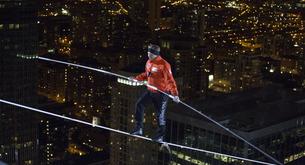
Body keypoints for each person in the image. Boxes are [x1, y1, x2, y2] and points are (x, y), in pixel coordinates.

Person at [130, 43, 180, 142]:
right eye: (148, 52)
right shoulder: (149, 62)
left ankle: (160, 136)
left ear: (156, 54)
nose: (149, 55)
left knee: (160, 115)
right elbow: (147, 74)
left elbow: (170, 80)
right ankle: (138, 128)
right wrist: (136, 79)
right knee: (139, 104)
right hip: (150, 90)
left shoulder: (164, 65)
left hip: (161, 93)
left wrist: (175, 94)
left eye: (151, 54)